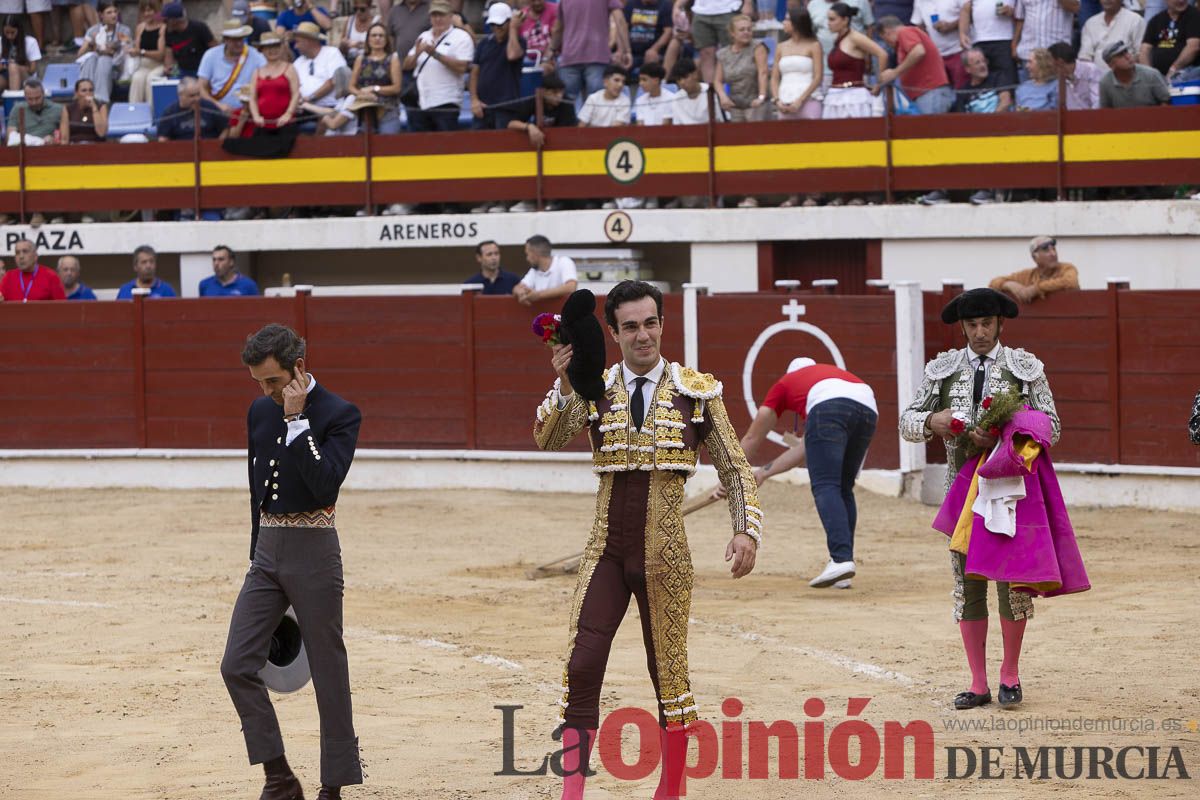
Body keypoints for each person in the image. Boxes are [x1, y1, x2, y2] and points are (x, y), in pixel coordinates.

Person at [533, 280, 760, 799]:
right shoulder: (592, 384)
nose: (643, 335)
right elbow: (547, 437)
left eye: (651, 323)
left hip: (666, 554)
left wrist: (745, 529)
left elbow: (735, 467)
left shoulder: (696, 391)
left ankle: (671, 790)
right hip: (606, 553)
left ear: (662, 324)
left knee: (670, 676)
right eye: (631, 326)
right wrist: (564, 382)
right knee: (582, 665)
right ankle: (572, 793)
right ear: (613, 333)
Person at [899, 287, 1060, 710]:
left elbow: (1051, 426)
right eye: (972, 325)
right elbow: (907, 421)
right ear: (963, 327)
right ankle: (977, 682)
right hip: (962, 493)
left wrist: (1009, 439)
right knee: (967, 585)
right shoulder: (943, 369)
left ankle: (1010, 674)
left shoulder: (1024, 368)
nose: (980, 332)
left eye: (987, 323)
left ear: (1000, 323)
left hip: (1011, 494)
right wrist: (933, 421)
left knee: (1012, 586)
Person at [221, 323, 364, 800]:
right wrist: (256, 553)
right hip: (267, 554)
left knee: (328, 671)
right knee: (237, 664)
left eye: (273, 381)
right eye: (258, 382)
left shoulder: (339, 413)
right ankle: (279, 777)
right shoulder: (260, 411)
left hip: (315, 553)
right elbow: (255, 489)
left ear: (298, 368)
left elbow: (324, 485)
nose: (266, 391)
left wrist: (298, 420)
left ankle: (333, 788)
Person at [732, 357, 876, 589]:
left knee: (826, 485)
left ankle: (840, 560)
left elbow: (752, 437)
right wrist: (763, 473)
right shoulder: (833, 378)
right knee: (842, 487)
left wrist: (729, 478)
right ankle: (843, 563)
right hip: (868, 406)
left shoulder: (786, 384)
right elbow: (804, 449)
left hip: (830, 409)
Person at [502, 71, 578, 211]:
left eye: (561, 92)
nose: (559, 96)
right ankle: (528, 200)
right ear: (543, 92)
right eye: (554, 92)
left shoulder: (566, 103)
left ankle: (556, 200)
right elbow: (510, 123)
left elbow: (569, 132)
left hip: (560, 151)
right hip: (535, 147)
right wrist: (529, 127)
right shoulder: (534, 100)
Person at [403, 0, 473, 131]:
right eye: (434, 15)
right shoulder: (424, 36)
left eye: (442, 15)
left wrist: (435, 54)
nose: (438, 19)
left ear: (451, 16)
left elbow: (462, 68)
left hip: (446, 100)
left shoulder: (461, 37)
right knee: (420, 141)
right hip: (421, 100)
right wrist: (417, 53)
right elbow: (406, 66)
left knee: (446, 141)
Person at [549, 0, 631, 103]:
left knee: (569, 103)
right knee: (597, 102)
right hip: (597, 56)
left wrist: (551, 50)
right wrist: (627, 50)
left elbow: (558, 28)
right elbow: (620, 21)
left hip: (570, 56)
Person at [878, 15, 955, 114]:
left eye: (885, 39)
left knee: (930, 124)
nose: (888, 44)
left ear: (887, 32)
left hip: (930, 92)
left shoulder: (905, 32)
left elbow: (918, 51)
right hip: (927, 94)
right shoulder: (905, 38)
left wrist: (895, 72)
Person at [822, 3, 886, 120]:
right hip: (834, 95)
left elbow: (882, 54)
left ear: (845, 20)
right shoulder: (837, 39)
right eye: (828, 19)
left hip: (854, 97)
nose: (828, 23)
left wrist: (879, 84)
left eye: (832, 19)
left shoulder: (855, 37)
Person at [469, 2, 526, 131]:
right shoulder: (484, 43)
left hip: (507, 107)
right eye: (493, 24)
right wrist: (474, 100)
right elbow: (474, 73)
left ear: (509, 22)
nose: (496, 28)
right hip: (483, 107)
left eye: (500, 24)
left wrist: (513, 29)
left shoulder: (519, 41)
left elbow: (512, 55)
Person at [199, 20, 267, 116]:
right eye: (235, 40)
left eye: (241, 39)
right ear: (226, 40)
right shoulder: (210, 55)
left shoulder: (256, 56)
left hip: (249, 111)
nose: (239, 43)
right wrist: (218, 105)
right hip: (218, 111)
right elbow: (201, 87)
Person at [347, 23, 402, 134]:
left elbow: (397, 88)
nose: (377, 38)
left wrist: (374, 88)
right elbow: (351, 86)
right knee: (363, 143)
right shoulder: (360, 59)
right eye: (374, 35)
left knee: (388, 143)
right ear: (368, 39)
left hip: (387, 110)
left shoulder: (392, 59)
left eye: (381, 35)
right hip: (365, 109)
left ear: (386, 39)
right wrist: (362, 94)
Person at [989, 235, 1080, 303]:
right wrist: (1010, 285)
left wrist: (1036, 289)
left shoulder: (1067, 268)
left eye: (1054, 249)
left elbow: (1071, 282)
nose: (1053, 254)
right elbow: (993, 284)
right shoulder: (1027, 275)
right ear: (1034, 257)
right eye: (1046, 250)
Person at [240, 31, 299, 134]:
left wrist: (288, 114)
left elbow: (296, 93)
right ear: (262, 50)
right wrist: (256, 116)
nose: (272, 50)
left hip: (285, 123)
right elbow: (252, 97)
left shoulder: (290, 68)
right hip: (262, 124)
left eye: (275, 46)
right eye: (268, 47)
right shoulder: (257, 72)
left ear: (281, 48)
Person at [714, 14, 769, 123]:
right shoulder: (723, 54)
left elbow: (763, 72)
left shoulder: (758, 47)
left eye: (749, 29)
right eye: (742, 30)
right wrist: (723, 97)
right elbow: (717, 80)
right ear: (732, 33)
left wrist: (761, 97)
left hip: (755, 103)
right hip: (734, 106)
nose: (746, 32)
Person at [772, 7, 824, 124]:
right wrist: (777, 100)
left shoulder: (814, 45)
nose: (783, 22)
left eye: (787, 19)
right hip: (784, 100)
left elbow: (818, 77)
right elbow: (774, 77)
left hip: (809, 99)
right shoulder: (781, 47)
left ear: (797, 23)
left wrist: (800, 100)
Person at [681, 0, 748, 83]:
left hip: (728, 9)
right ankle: (711, 89)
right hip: (701, 11)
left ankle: (737, 88)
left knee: (733, 53)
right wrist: (677, 5)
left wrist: (748, 2)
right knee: (706, 54)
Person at [77, 1, 131, 106]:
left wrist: (111, 48)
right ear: (101, 15)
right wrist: (92, 43)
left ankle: (100, 100)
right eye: (109, 12)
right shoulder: (93, 30)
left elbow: (125, 52)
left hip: (116, 67)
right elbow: (80, 54)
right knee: (91, 59)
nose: (114, 15)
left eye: (115, 11)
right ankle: (84, 97)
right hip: (96, 67)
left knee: (104, 60)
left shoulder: (124, 30)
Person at [957, 0, 1017, 90]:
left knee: (1007, 80)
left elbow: (1021, 11)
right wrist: (962, 34)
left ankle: (1008, 98)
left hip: (1004, 39)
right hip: (979, 40)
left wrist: (1010, 11)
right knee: (983, 81)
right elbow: (965, 9)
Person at [293, 20, 348, 117]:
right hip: (303, 109)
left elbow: (333, 81)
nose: (295, 46)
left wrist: (309, 98)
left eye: (297, 42)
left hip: (329, 108)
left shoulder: (331, 53)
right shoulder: (298, 62)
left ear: (308, 41)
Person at [1012, 0, 1077, 77]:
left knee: (1058, 84)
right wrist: (1014, 45)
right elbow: (1020, 18)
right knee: (1028, 85)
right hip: (1028, 53)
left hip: (1056, 56)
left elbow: (1075, 7)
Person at [1139, 0, 1200, 80]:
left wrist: (1174, 68)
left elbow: (1193, 47)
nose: (1181, 1)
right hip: (1159, 75)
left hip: (1187, 71)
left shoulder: (1194, 16)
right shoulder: (1156, 20)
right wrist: (1150, 74)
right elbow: (1144, 49)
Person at [911, 0, 967, 88]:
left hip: (959, 50)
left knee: (963, 88)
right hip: (937, 56)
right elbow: (918, 25)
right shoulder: (919, 1)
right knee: (942, 91)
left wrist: (951, 26)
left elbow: (969, 15)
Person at [1100, 39, 1171, 107]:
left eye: (1126, 51)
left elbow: (1166, 102)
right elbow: (1105, 111)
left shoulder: (1151, 74)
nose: (1127, 56)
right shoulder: (1105, 83)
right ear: (1111, 65)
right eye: (1120, 55)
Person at [156, 75, 229, 140]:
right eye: (192, 96)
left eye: (198, 94)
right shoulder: (170, 112)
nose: (197, 99)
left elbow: (225, 128)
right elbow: (163, 138)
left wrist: (217, 145)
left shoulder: (209, 106)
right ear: (180, 95)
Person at [1079, 0, 1145, 70]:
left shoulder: (1135, 20)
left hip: (1126, 73)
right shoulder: (1091, 23)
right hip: (1096, 75)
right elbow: (1085, 57)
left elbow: (1140, 54)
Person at [514, 234, 578, 304]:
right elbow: (518, 287)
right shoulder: (534, 270)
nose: (527, 258)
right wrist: (520, 292)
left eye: (527, 254)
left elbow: (571, 287)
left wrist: (538, 295)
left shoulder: (563, 262)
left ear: (535, 253)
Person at [6, 76, 68, 146]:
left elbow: (64, 141)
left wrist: (53, 140)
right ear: (25, 96)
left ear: (43, 94)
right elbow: (11, 139)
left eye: (37, 98)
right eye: (30, 99)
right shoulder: (17, 109)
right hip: (25, 149)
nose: (34, 102)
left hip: (49, 149)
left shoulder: (59, 109)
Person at [0, 238, 66, 302]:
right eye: (17, 253)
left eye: (25, 251)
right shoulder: (8, 277)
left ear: (35, 256)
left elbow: (62, 306)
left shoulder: (50, 276)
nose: (21, 256)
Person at [162, 2, 215, 78]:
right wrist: (168, 68)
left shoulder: (199, 28)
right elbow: (168, 53)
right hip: (180, 69)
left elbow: (215, 48)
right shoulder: (168, 31)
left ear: (174, 21)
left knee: (191, 84)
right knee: (169, 82)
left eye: (165, 21)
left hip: (200, 70)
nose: (163, 23)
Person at [128, 0, 166, 104]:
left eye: (149, 10)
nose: (146, 14)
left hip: (158, 65)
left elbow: (160, 54)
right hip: (143, 66)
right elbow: (137, 49)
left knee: (151, 79)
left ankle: (151, 110)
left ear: (156, 11)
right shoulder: (140, 27)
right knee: (137, 78)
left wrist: (142, 52)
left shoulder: (163, 28)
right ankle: (134, 109)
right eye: (143, 11)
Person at [1049, 40, 1101, 109]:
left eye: (1050, 61)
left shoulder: (1091, 70)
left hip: (1093, 114)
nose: (1048, 65)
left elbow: (1097, 102)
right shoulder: (1056, 79)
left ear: (1060, 62)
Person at [626, 0, 673, 72]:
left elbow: (668, 31)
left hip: (654, 50)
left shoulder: (665, 5)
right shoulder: (631, 4)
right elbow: (623, 28)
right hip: (632, 51)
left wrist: (654, 49)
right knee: (619, 58)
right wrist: (626, 50)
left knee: (651, 58)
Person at [0, 14, 41, 94]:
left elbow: (32, 70)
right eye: (7, 33)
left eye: (13, 32)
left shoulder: (30, 42)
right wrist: (4, 65)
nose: (9, 36)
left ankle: (13, 98)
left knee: (13, 67)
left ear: (19, 30)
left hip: (26, 76)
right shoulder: (1, 41)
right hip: (5, 74)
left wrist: (15, 65)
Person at [63, 77, 108, 142]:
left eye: (91, 90)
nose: (88, 93)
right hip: (75, 145)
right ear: (76, 93)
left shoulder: (101, 107)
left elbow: (102, 133)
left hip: (95, 145)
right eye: (84, 90)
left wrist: (94, 108)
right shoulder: (68, 108)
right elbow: (64, 138)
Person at [633, 60, 674, 125]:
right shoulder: (640, 100)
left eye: (644, 80)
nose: (640, 83)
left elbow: (666, 125)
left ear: (656, 80)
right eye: (640, 80)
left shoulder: (671, 98)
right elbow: (640, 125)